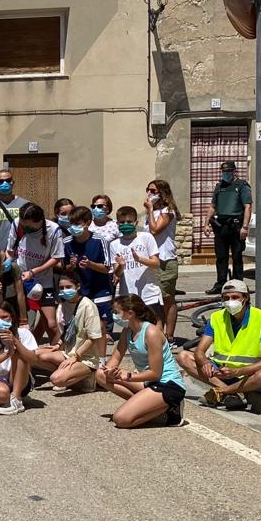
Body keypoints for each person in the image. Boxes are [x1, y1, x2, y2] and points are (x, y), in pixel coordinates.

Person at [175, 280, 261, 412]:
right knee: (183, 356)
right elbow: (200, 351)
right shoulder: (216, 318)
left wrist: (237, 372)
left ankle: (222, 392)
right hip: (222, 373)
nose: (230, 301)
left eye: (235, 297)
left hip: (250, 375)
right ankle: (233, 394)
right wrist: (205, 362)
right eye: (226, 298)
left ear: (245, 298)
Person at [97, 295, 185, 428]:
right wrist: (109, 371)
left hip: (167, 384)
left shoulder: (151, 332)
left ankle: (170, 406)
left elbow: (155, 373)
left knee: (121, 419)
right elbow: (116, 356)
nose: (113, 316)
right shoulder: (128, 331)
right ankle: (150, 407)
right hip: (149, 383)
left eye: (116, 312)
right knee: (100, 375)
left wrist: (128, 377)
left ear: (130, 313)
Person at [35, 274, 105, 394]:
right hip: (69, 352)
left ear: (78, 287)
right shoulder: (63, 305)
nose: (64, 291)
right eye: (61, 288)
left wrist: (76, 356)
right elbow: (68, 329)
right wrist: (58, 344)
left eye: (68, 287)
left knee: (55, 380)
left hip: (85, 357)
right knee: (36, 355)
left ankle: (88, 374)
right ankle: (69, 373)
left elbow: (93, 338)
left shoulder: (88, 306)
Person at [12, 204, 65, 345]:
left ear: (39, 221)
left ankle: (59, 356)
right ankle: (29, 354)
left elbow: (56, 258)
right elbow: (9, 251)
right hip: (20, 279)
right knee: (23, 324)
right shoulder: (17, 223)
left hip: (43, 280)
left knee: (52, 324)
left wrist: (34, 271)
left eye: (28, 227)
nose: (25, 229)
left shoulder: (53, 230)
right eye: (23, 226)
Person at [62, 205, 116, 335]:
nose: (73, 227)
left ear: (87, 223)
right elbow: (65, 269)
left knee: (102, 326)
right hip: (80, 290)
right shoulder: (66, 242)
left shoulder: (99, 240)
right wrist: (72, 265)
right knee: (83, 326)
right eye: (72, 223)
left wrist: (90, 264)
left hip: (100, 289)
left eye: (77, 223)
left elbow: (107, 268)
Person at [109, 206, 162, 322]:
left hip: (149, 293)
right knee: (133, 326)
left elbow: (156, 263)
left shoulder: (146, 237)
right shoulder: (114, 244)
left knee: (154, 323)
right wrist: (121, 266)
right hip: (128, 296)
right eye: (122, 222)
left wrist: (139, 259)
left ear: (135, 222)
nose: (125, 224)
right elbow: (116, 274)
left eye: (129, 222)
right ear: (117, 223)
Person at [206, 161, 252, 294]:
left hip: (235, 225)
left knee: (237, 256)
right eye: (224, 172)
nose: (225, 174)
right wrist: (206, 223)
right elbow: (213, 206)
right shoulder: (219, 186)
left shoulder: (242, 186)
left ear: (234, 172)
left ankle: (238, 284)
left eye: (228, 172)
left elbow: (247, 206)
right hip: (221, 225)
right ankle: (220, 283)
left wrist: (245, 226)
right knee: (221, 257)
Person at [143, 180, 181, 339]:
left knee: (167, 298)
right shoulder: (151, 213)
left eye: (153, 191)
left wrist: (150, 209)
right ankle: (157, 332)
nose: (150, 194)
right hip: (152, 260)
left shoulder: (167, 211)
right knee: (152, 298)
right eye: (148, 190)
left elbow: (155, 229)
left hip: (165, 260)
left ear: (162, 193)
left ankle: (169, 335)